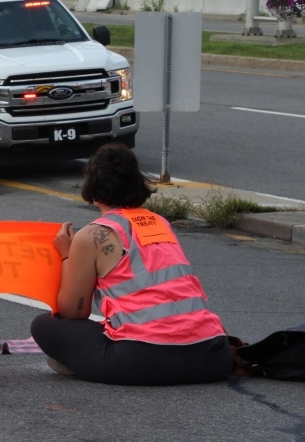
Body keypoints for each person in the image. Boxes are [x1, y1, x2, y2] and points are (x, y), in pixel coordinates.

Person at [30, 143, 232, 386]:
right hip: (213, 356)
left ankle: (79, 363)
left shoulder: (93, 235)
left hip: (145, 359)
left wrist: (66, 255)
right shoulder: (159, 223)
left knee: (43, 326)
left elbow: (73, 312)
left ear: (93, 188)